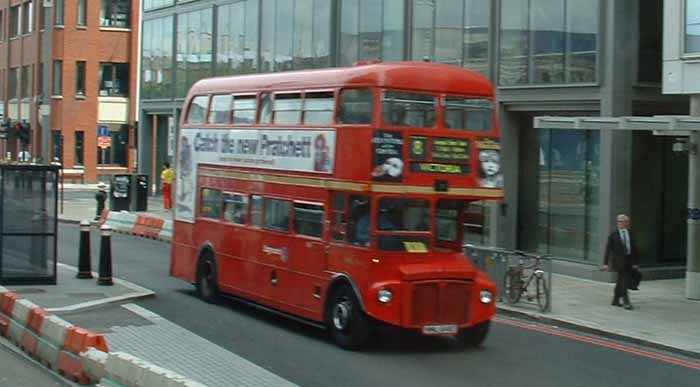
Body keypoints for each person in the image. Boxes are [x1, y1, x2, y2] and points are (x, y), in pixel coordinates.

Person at [603, 214, 639, 310]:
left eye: (624, 221)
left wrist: (635, 263)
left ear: (627, 223)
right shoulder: (613, 235)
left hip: (629, 260)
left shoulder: (630, 233)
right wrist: (606, 263)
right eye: (619, 221)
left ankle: (615, 300)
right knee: (625, 281)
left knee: (620, 281)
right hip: (618, 262)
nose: (621, 223)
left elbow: (634, 249)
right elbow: (608, 250)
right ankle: (626, 301)